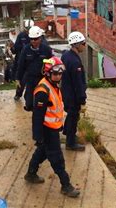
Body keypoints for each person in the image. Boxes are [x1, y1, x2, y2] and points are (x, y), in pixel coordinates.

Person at [24, 57, 80, 198]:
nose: (58, 76)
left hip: (53, 128)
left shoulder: (53, 85)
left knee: (42, 152)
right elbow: (37, 115)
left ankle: (31, 174)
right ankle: (66, 185)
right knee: (57, 158)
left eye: (60, 74)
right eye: (55, 73)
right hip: (47, 130)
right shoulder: (43, 91)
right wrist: (38, 136)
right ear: (48, 73)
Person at [16, 26, 52, 111]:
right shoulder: (26, 50)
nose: (33, 41)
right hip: (30, 78)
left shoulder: (46, 50)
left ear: (40, 38)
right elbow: (21, 65)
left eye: (35, 39)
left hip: (42, 79)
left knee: (42, 101)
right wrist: (18, 79)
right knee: (29, 103)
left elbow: (51, 64)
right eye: (31, 39)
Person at [61, 31, 87, 151]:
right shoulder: (75, 62)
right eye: (83, 43)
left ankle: (67, 132)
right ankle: (70, 143)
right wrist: (82, 99)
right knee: (73, 117)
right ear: (77, 45)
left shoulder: (66, 55)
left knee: (71, 115)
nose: (84, 46)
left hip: (66, 92)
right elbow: (78, 83)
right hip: (73, 95)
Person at [12, 19, 34, 100]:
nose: (28, 31)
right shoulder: (21, 36)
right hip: (22, 61)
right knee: (21, 79)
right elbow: (16, 48)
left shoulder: (35, 36)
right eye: (27, 29)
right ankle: (18, 94)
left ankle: (30, 96)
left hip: (31, 62)